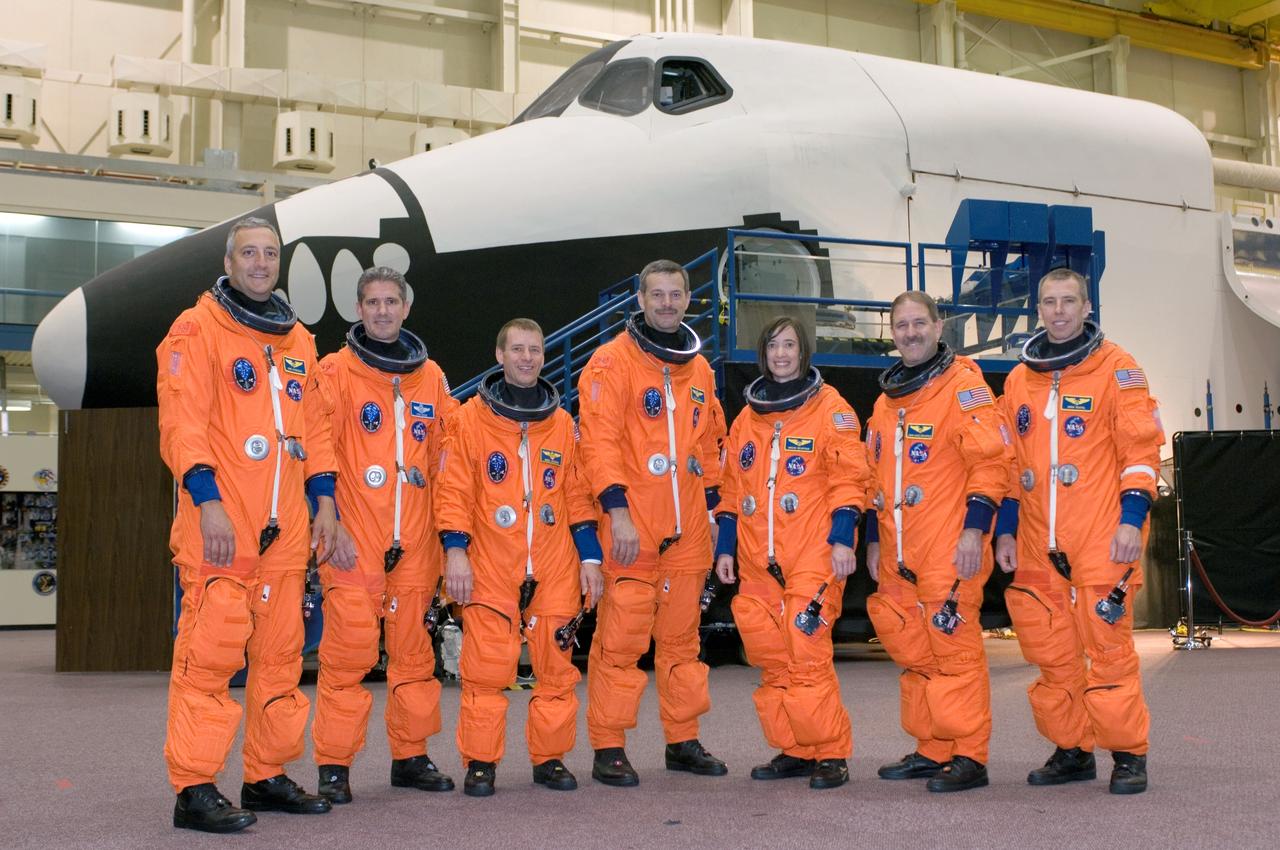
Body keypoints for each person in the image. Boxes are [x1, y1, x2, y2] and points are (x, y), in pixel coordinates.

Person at [157, 217, 340, 833]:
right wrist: (206, 500)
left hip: (285, 530)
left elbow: (315, 430)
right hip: (222, 526)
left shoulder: (300, 341)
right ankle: (194, 787)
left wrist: (326, 503)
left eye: (270, 253)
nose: (261, 263)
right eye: (249, 254)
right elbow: (183, 423)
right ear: (228, 262)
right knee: (209, 659)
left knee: (282, 659)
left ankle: (265, 774)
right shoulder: (196, 328)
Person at [994, 267, 1162, 795]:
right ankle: (1072, 751)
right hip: (1037, 542)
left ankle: (1128, 755)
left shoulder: (1118, 369)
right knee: (1052, 656)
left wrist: (1132, 521)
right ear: (1038, 309)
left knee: (1108, 653)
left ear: (1088, 308)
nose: (1059, 311)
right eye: (1049, 302)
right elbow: (1005, 465)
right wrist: (1003, 532)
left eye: (1069, 301)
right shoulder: (1020, 379)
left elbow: (1140, 452)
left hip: (1101, 535)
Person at [435, 318, 605, 796]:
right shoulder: (468, 420)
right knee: (486, 671)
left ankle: (549, 759)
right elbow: (453, 493)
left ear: (544, 357)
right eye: (517, 349)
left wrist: (590, 558)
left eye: (535, 349)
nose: (526, 357)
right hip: (490, 563)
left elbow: (577, 495)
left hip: (552, 565)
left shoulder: (562, 424)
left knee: (556, 670)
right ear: (499, 354)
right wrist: (456, 553)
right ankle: (481, 762)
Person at [576, 259, 728, 786]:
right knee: (620, 643)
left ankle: (682, 741)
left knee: (683, 643)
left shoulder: (701, 369)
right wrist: (616, 512)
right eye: (656, 294)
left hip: (687, 531)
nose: (666, 302)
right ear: (639, 300)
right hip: (632, 528)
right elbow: (597, 444)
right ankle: (609, 746)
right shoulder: (609, 363)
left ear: (688, 299)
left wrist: (712, 511)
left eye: (675, 294)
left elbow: (709, 446)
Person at [309, 266, 457, 804]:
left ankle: (411, 756)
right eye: (372, 302)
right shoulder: (335, 371)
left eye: (391, 301)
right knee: (347, 658)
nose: (382, 311)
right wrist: (329, 514)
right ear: (358, 308)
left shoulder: (433, 378)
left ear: (406, 308)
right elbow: (316, 444)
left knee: (415, 658)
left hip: (415, 541)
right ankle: (334, 765)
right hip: (354, 537)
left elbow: (449, 455)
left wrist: (449, 536)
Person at [713, 317, 873, 790]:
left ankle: (830, 752)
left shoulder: (832, 410)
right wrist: (725, 549)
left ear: (804, 351)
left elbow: (852, 479)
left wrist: (844, 537)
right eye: (773, 345)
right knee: (772, 656)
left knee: (806, 653)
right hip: (758, 561)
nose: (781, 353)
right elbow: (730, 491)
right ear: (762, 353)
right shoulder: (746, 418)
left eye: (789, 345)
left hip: (813, 554)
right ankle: (795, 748)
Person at [862, 291, 1011, 793]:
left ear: (938, 325)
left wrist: (975, 531)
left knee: (955, 653)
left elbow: (991, 465)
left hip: (948, 545)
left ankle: (969, 754)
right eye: (900, 325)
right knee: (914, 654)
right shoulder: (886, 403)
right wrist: (876, 540)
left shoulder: (965, 388)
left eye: (918, 323)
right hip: (898, 550)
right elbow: (875, 479)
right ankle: (932, 747)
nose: (909, 333)